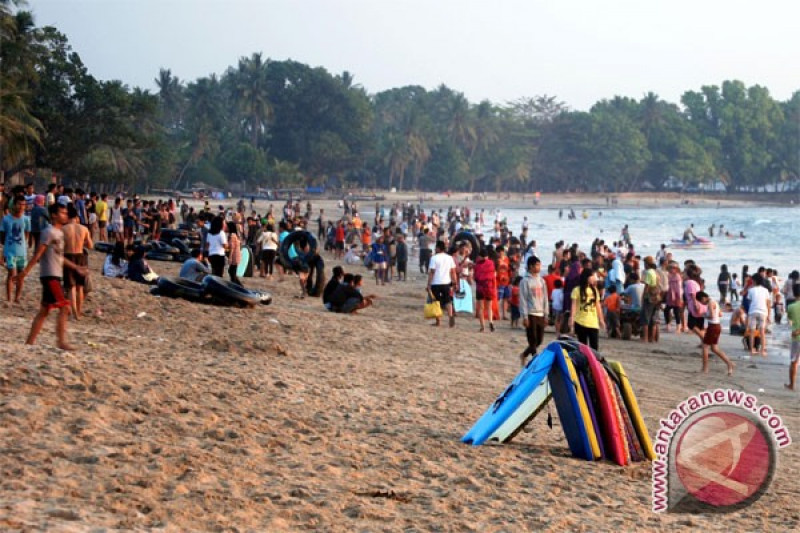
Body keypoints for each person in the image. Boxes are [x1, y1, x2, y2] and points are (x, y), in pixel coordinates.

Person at [16, 202, 88, 350]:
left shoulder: (59, 233)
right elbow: (38, 254)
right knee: (65, 307)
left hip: (55, 275)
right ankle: (61, 342)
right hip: (49, 276)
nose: (65, 215)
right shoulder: (48, 232)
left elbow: (60, 257)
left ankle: (29, 343)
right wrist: (24, 272)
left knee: (44, 311)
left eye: (66, 213)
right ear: (54, 215)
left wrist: (76, 267)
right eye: (62, 213)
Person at [62, 204, 93, 320]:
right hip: (81, 256)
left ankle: (74, 312)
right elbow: (90, 245)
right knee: (80, 286)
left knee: (71, 286)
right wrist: (81, 243)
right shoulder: (84, 229)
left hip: (69, 256)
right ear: (76, 217)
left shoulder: (63, 229)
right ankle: (79, 311)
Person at [518, 256, 549, 366]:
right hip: (531, 313)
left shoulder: (542, 281)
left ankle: (524, 354)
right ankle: (535, 361)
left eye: (539, 265)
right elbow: (523, 299)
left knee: (539, 340)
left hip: (540, 312)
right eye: (537, 265)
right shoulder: (525, 281)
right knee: (533, 339)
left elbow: (545, 298)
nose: (539, 267)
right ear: (531, 266)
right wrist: (525, 316)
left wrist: (546, 314)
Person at [695, 291, 735, 376]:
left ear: (703, 298)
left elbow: (712, 316)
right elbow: (720, 314)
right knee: (714, 348)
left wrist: (703, 315)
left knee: (705, 347)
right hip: (717, 326)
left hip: (712, 327)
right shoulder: (715, 302)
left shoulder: (710, 303)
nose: (702, 304)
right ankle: (729, 363)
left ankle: (705, 368)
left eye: (700, 302)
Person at [1, 195, 31, 303]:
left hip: (22, 251)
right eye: (19, 204)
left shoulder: (26, 219)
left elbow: (27, 234)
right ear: (14, 205)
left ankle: (17, 297)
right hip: (9, 251)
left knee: (21, 275)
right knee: (12, 274)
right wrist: (2, 253)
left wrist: (25, 244)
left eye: (23, 204)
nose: (22, 206)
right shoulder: (6, 219)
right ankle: (9, 298)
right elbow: (2, 236)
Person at [570, 269, 605, 350]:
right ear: (586, 277)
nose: (594, 278)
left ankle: (593, 362)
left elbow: (598, 306)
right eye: (592, 276)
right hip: (580, 322)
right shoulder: (577, 290)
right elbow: (573, 305)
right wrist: (571, 318)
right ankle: (584, 362)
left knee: (594, 347)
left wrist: (601, 319)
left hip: (593, 323)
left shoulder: (595, 290)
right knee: (583, 347)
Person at [427, 240, 457, 327]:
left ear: (438, 248)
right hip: (446, 282)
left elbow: (432, 272)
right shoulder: (449, 258)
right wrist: (455, 283)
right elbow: (453, 272)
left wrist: (428, 284)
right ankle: (451, 318)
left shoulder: (434, 258)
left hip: (436, 283)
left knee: (436, 302)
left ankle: (438, 321)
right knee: (448, 301)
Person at [746, 273, 771, 357]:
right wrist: (769, 315)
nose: (752, 281)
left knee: (752, 332)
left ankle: (752, 349)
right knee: (762, 332)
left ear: (755, 281)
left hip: (753, 311)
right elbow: (768, 303)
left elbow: (749, 302)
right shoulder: (765, 290)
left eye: (752, 280)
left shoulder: (751, 290)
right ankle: (763, 350)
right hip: (763, 311)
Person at [473, 247, 495, 333]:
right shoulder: (491, 263)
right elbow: (493, 275)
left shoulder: (478, 265)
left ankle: (482, 326)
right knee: (489, 307)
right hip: (489, 287)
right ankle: (490, 322)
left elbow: (476, 277)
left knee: (481, 308)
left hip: (480, 288)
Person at [640, 256, 661, 343]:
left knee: (645, 318)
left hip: (649, 297)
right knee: (653, 318)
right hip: (656, 297)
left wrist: (643, 296)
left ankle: (645, 338)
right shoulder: (656, 272)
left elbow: (647, 286)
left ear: (647, 264)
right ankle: (651, 338)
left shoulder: (648, 272)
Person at [786, 284, 800, 390]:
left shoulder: (791, 307)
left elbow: (790, 320)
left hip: (796, 337)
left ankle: (792, 384)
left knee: (794, 362)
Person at [226, 221, 243, 286]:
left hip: (234, 256)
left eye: (227, 227)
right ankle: (236, 284)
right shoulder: (234, 235)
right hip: (236, 255)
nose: (226, 228)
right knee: (232, 271)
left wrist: (230, 258)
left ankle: (237, 285)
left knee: (231, 271)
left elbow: (232, 247)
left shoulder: (232, 235)